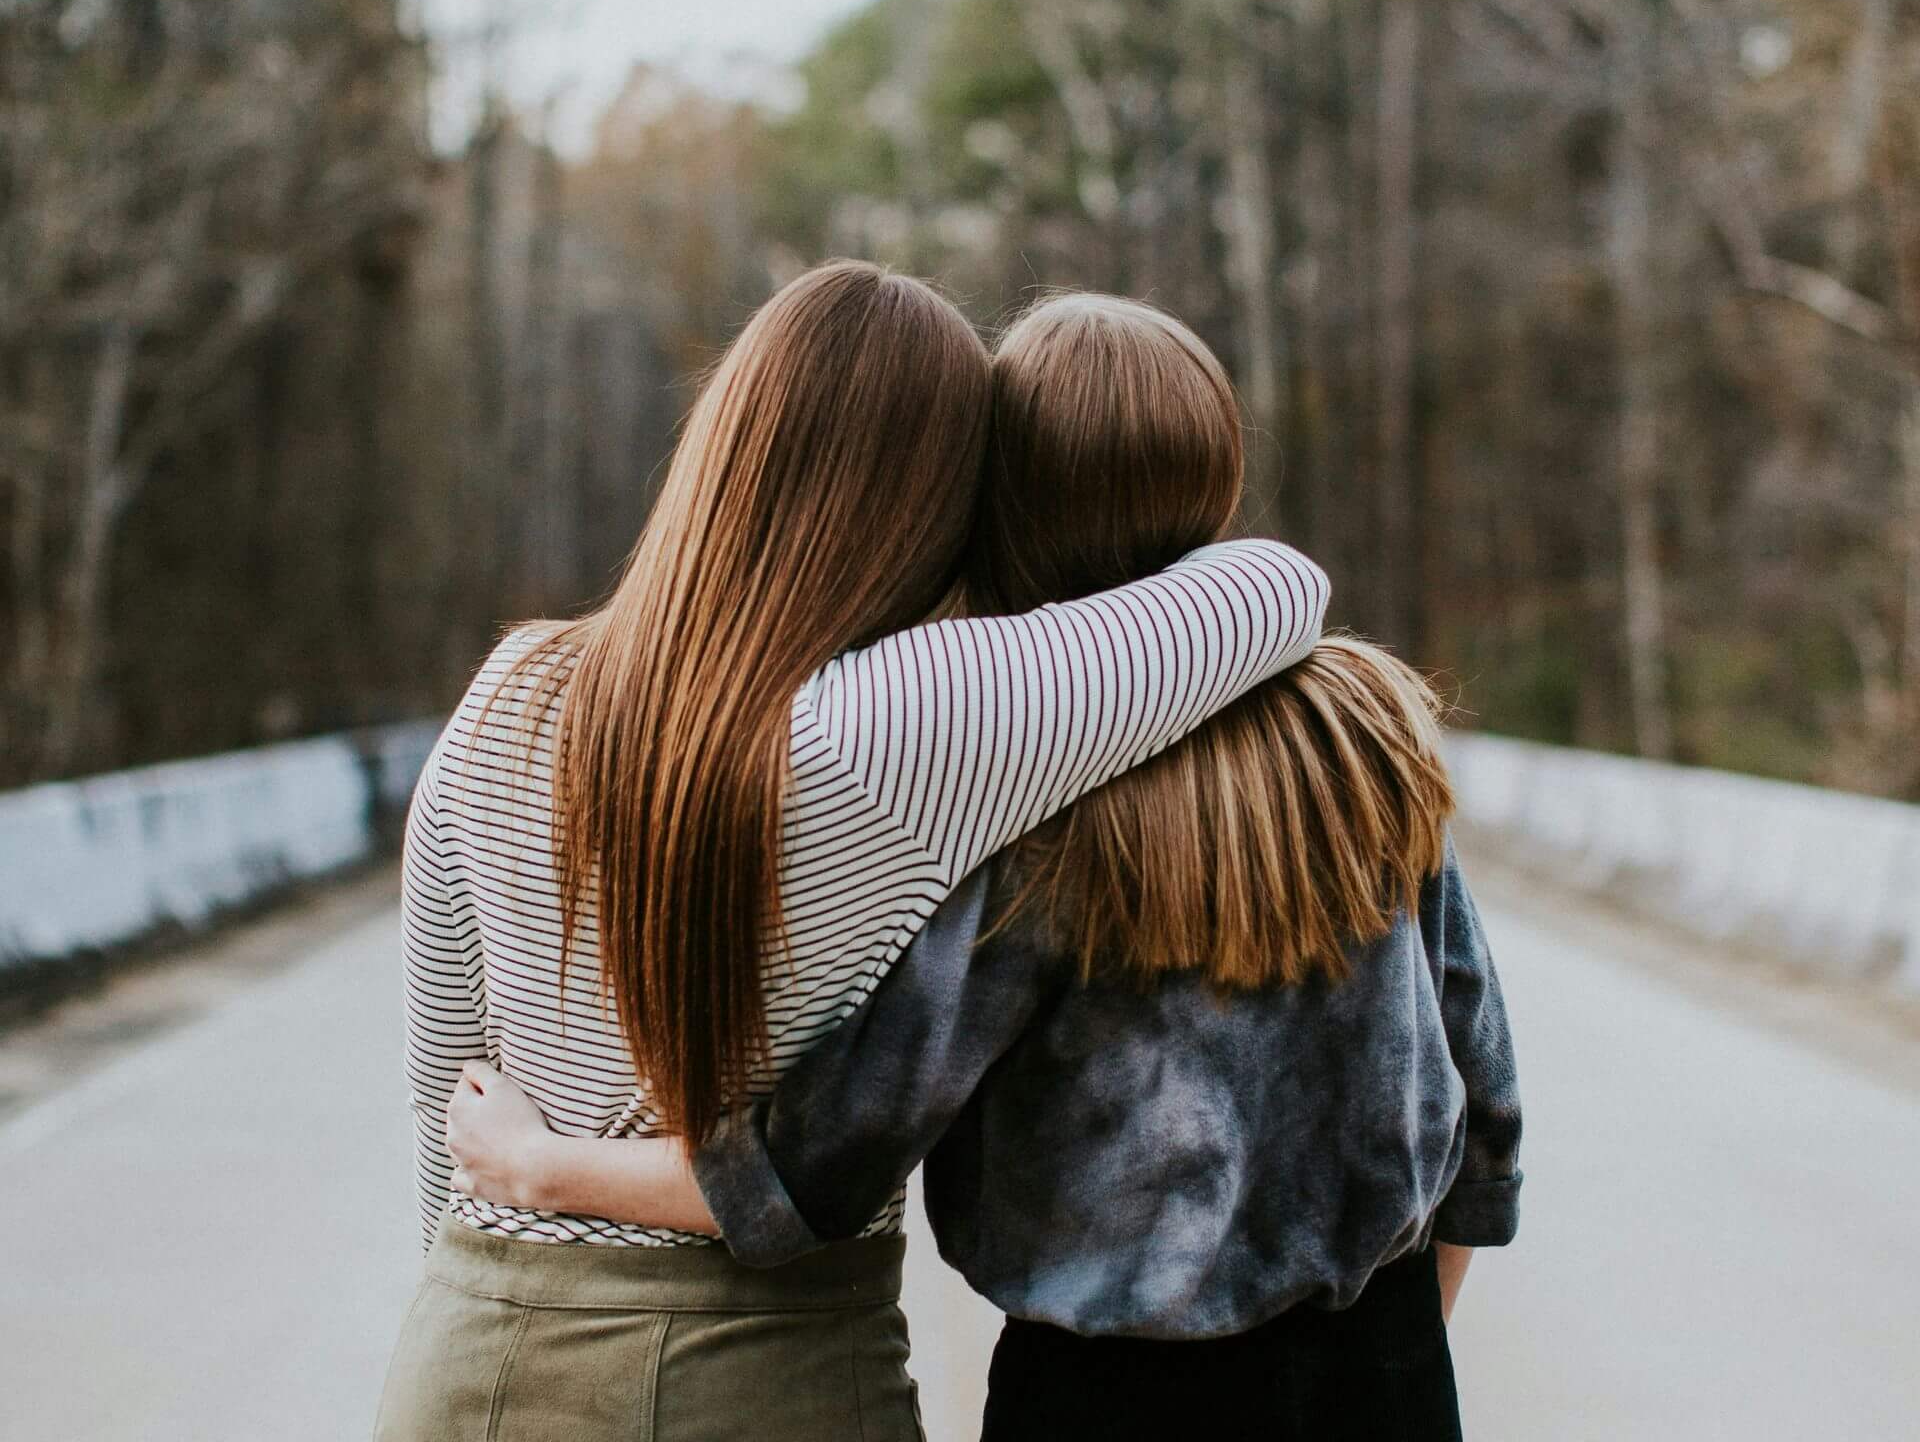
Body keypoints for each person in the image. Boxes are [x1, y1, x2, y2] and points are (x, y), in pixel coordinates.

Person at [447, 292, 1520, 1441]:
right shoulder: (1368, 732)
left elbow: (816, 1166)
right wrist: (1399, 1348)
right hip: (1388, 1368)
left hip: (1102, 1402)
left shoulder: (1035, 789)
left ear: (999, 501)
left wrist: (541, 1167)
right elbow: (1484, 1096)